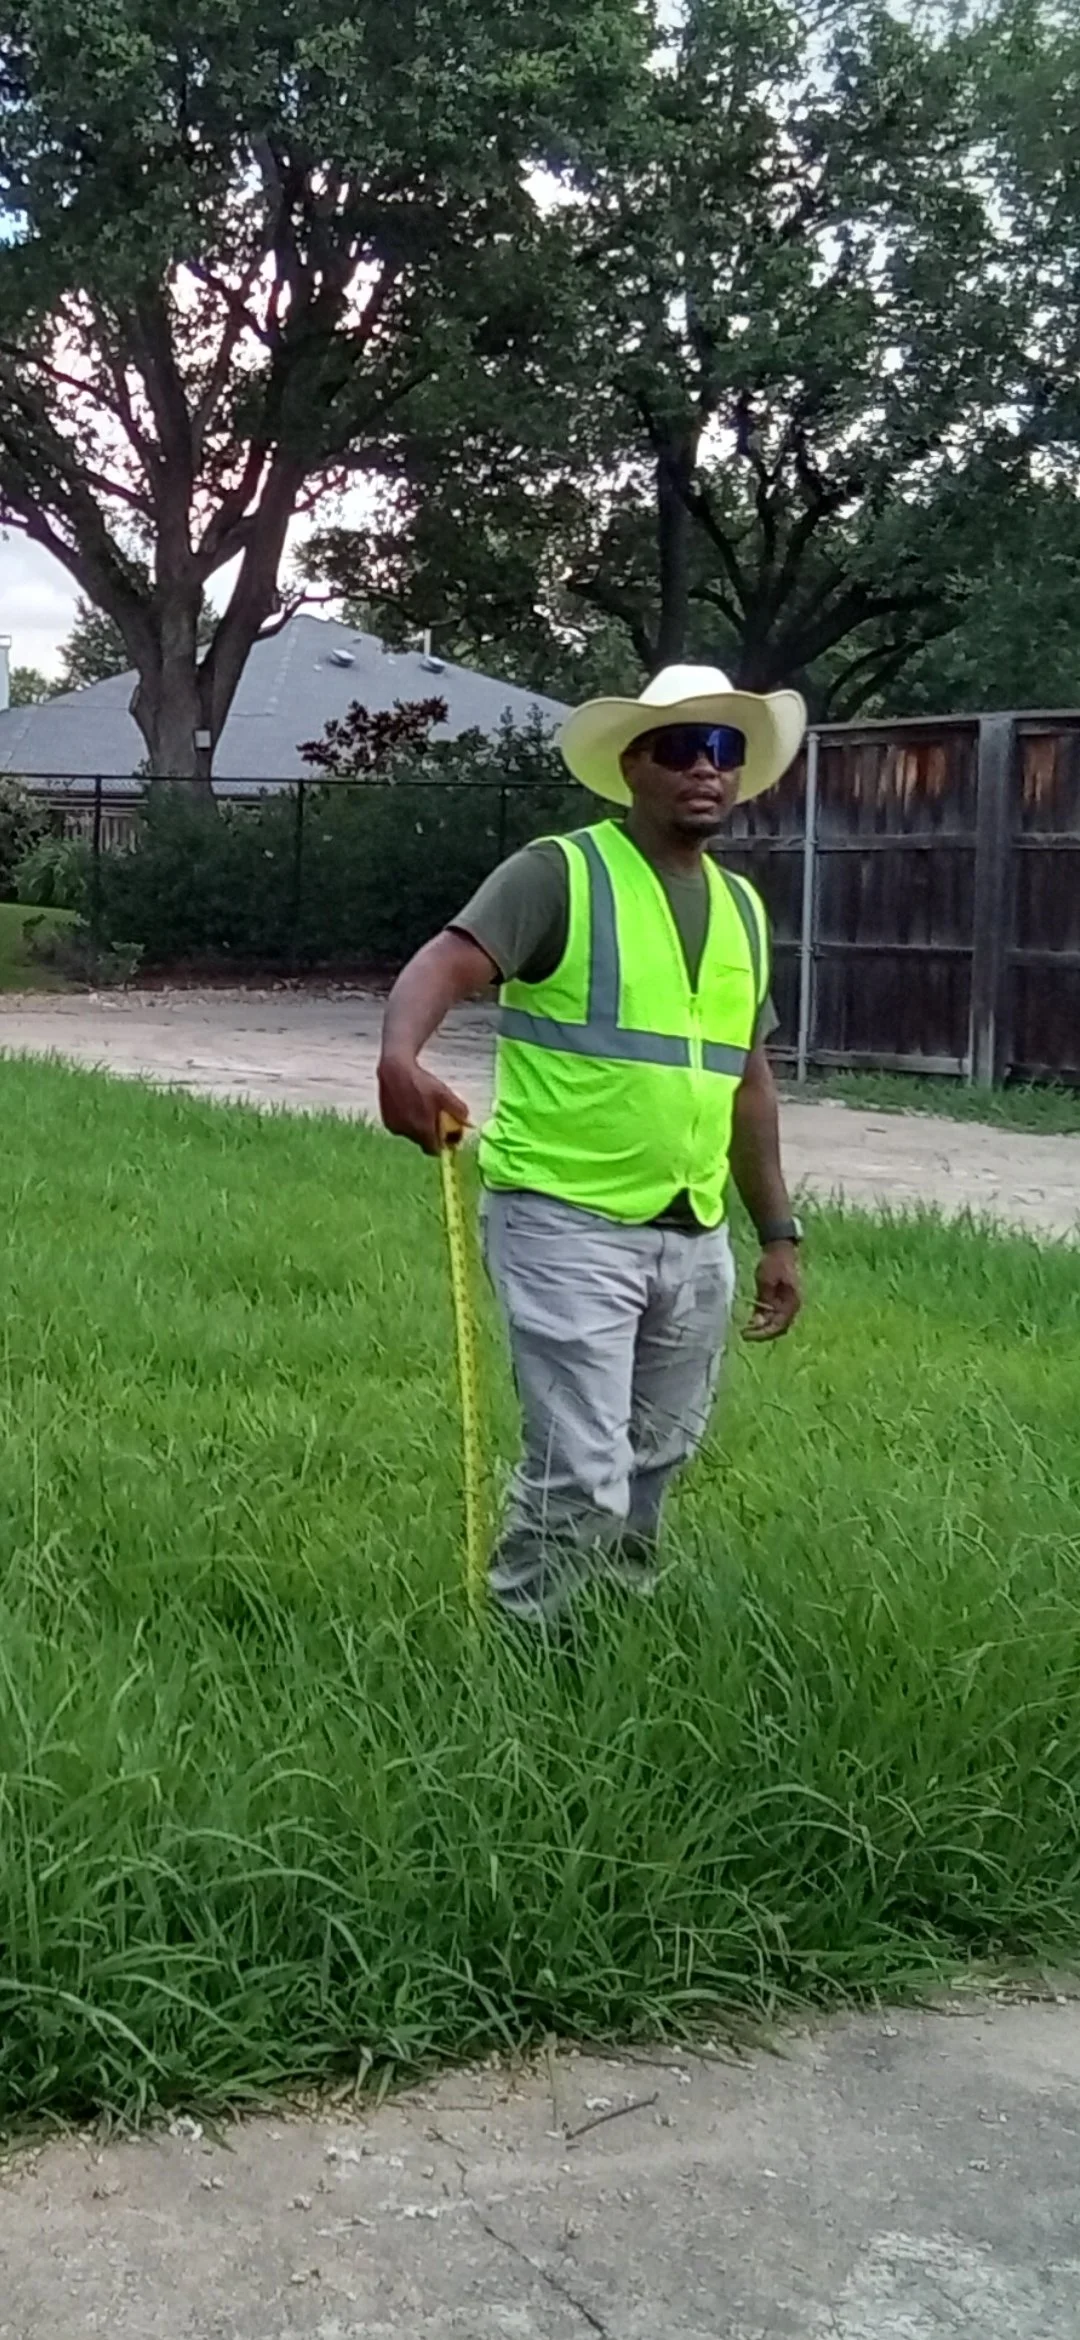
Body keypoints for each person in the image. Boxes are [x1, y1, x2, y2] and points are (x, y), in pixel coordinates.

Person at [378, 663, 806, 1625]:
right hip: (563, 1221)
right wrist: (398, 1057)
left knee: (658, 1454)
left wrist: (777, 1231)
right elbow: (446, 961)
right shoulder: (559, 874)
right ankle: (530, 1647)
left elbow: (748, 1081)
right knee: (583, 1463)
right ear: (631, 764)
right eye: (682, 747)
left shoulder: (743, 909)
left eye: (725, 748)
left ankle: (611, 1627)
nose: (707, 768)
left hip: (691, 1232)